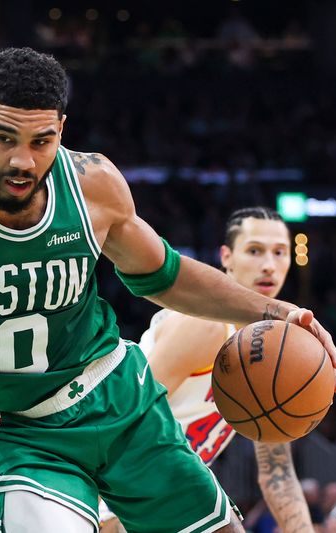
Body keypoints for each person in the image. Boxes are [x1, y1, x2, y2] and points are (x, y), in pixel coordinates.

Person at [0, 48, 336, 532]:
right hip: (25, 434)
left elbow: (166, 275)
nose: (22, 161)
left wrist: (275, 310)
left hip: (122, 403)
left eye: (42, 141)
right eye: (4, 138)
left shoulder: (91, 185)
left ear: (62, 126)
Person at [99, 207, 316, 533]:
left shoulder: (271, 352)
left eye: (279, 252)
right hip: (112, 490)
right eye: (254, 251)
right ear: (226, 256)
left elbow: (279, 476)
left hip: (162, 492)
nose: (269, 264)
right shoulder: (206, 325)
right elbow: (126, 418)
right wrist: (117, 518)